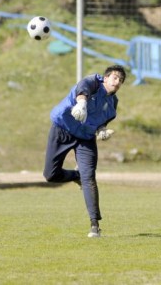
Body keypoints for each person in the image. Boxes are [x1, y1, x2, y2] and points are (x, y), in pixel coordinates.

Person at [43, 65, 126, 238]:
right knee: (51, 175)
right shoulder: (93, 82)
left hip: (86, 138)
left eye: (121, 80)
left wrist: (102, 130)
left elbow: (103, 120)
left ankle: (94, 225)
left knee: (89, 177)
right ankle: (75, 176)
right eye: (115, 78)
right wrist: (81, 103)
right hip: (63, 128)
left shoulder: (113, 103)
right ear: (106, 78)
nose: (117, 82)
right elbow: (83, 90)